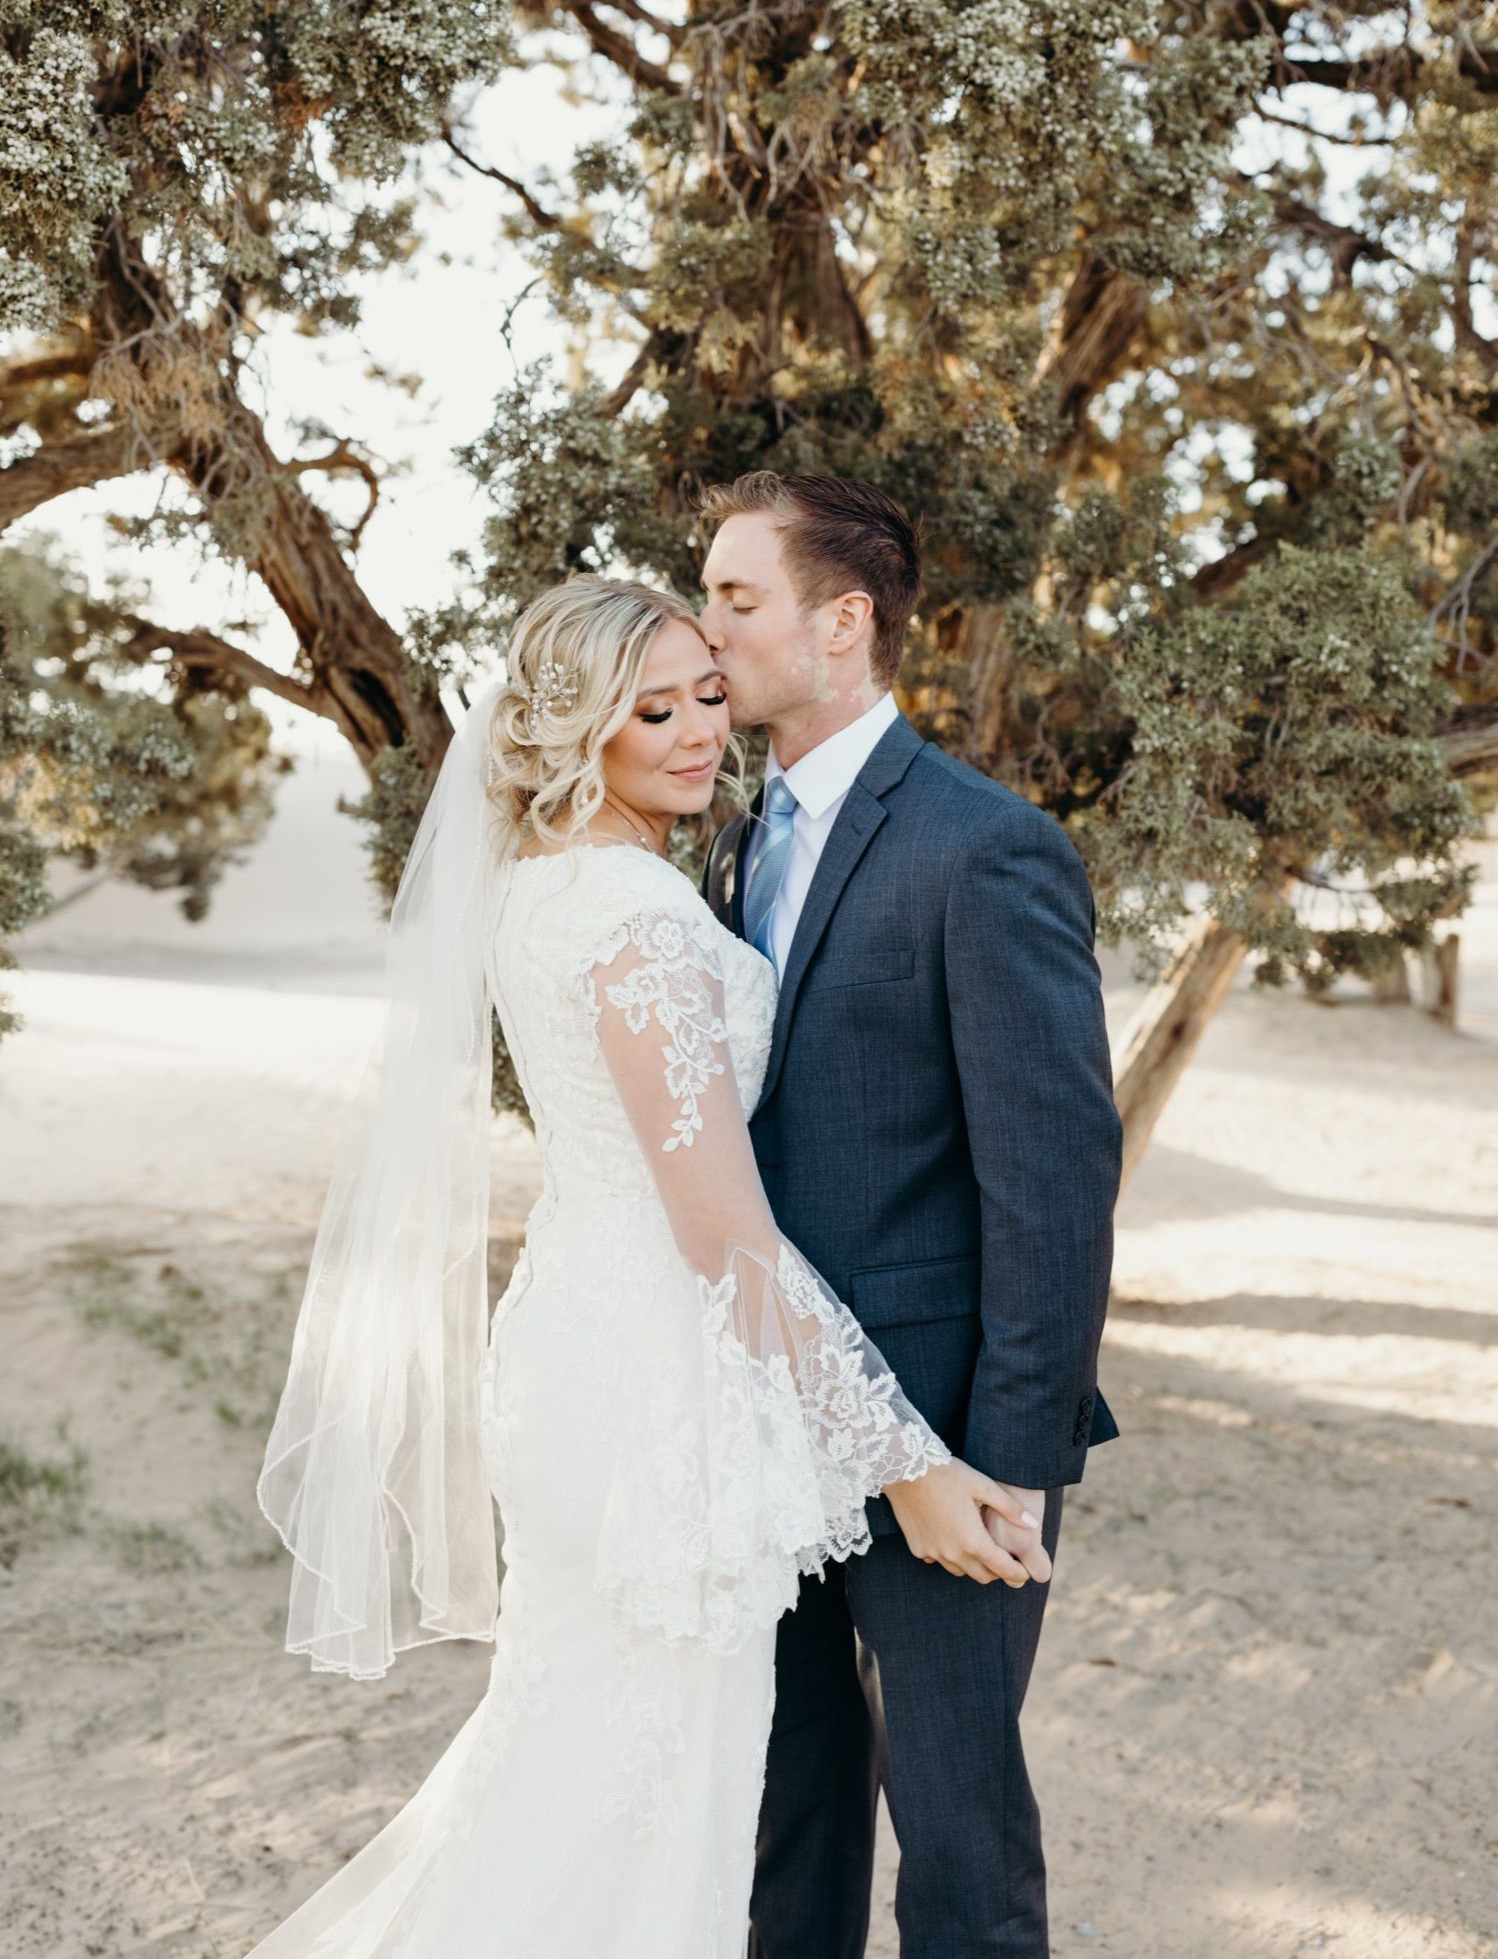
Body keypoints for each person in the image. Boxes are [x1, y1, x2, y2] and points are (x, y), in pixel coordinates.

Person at [246, 574, 1043, 1959]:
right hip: (653, 1388)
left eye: (706, 696)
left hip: (582, 1339)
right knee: (657, 1785)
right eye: (650, 708)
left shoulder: (539, 890)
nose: (694, 735)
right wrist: (906, 1462)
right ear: (576, 729)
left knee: (583, 1753)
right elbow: (724, 1236)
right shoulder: (633, 916)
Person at [696, 471, 1123, 1959]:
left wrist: (1005, 1458)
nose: (706, 630)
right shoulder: (738, 834)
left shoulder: (982, 844)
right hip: (769, 1420)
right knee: (786, 1806)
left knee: (956, 1842)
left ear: (843, 622)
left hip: (944, 1437)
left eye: (736, 598)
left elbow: (1054, 1180)